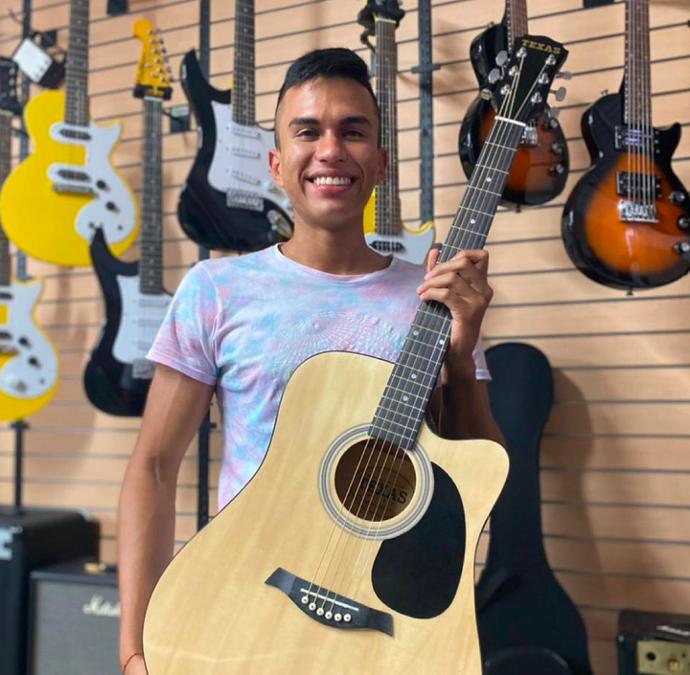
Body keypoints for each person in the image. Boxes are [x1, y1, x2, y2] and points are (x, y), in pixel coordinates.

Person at [117, 47, 504, 674]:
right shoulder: (217, 290)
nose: (331, 150)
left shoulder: (438, 297)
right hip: (239, 602)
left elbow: (478, 483)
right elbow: (155, 467)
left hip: (381, 623)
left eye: (353, 131)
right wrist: (134, 649)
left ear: (380, 162)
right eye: (307, 131)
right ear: (276, 163)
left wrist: (461, 359)